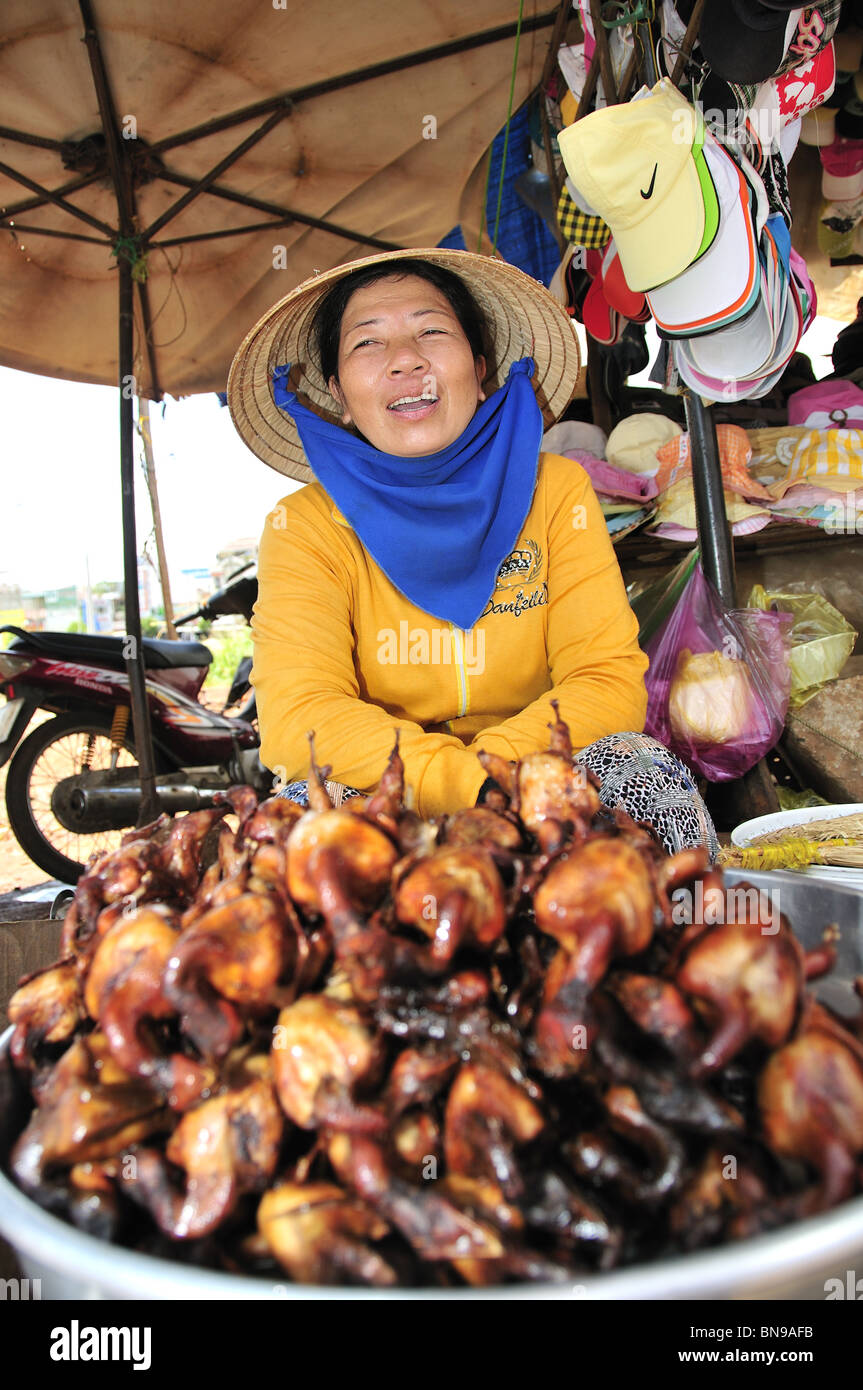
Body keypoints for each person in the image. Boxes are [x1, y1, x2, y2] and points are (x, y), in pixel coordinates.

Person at [228, 248, 718, 857]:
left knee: (647, 777)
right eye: (366, 344)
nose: (406, 359)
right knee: (298, 825)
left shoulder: (556, 491)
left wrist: (500, 773)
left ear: (480, 368)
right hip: (383, 786)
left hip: (541, 766)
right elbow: (301, 713)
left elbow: (606, 680)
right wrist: (460, 784)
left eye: (432, 331)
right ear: (338, 395)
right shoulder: (303, 527)